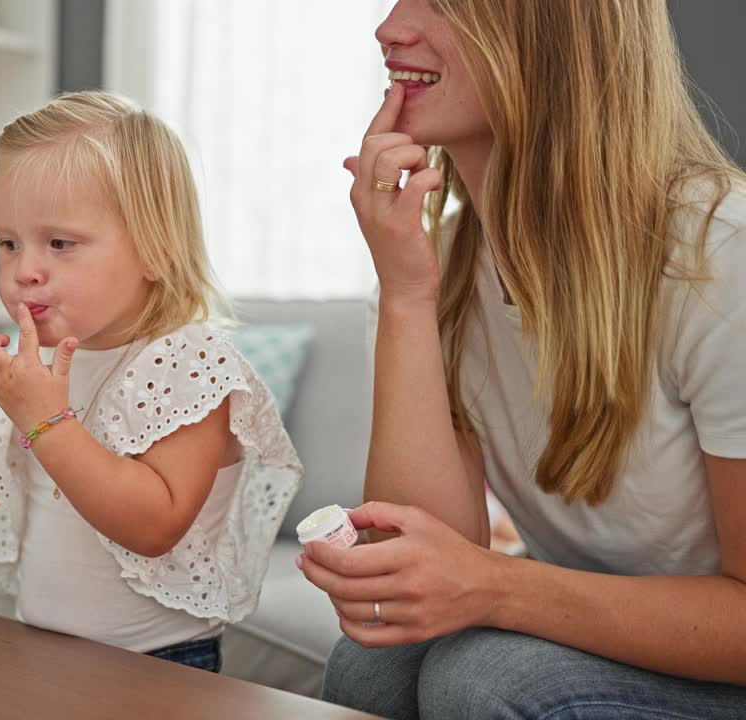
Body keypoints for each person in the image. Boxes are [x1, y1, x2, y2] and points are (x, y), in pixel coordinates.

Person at [299, 0, 746, 717]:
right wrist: (407, 298)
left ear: (551, 35)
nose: (390, 28)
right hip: (624, 642)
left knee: (488, 679)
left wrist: (500, 587)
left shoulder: (720, 255)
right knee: (374, 665)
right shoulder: (442, 264)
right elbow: (418, 557)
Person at [0, 91, 302, 672]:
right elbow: (24, 469)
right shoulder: (51, 356)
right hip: (43, 645)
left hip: (159, 666)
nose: (25, 268)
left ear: (155, 247)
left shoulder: (191, 362)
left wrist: (44, 418)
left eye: (59, 243)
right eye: (9, 243)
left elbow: (154, 524)